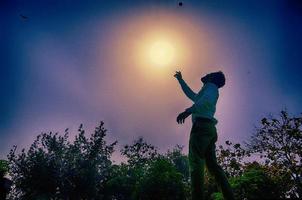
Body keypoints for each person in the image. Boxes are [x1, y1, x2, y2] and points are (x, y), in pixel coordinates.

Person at [174, 70, 235, 200]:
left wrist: (187, 111)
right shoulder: (208, 90)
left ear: (212, 78)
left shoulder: (211, 87)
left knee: (195, 163)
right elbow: (191, 94)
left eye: (209, 74)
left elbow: (205, 100)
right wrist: (180, 80)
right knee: (213, 167)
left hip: (201, 128)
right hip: (209, 130)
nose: (206, 74)